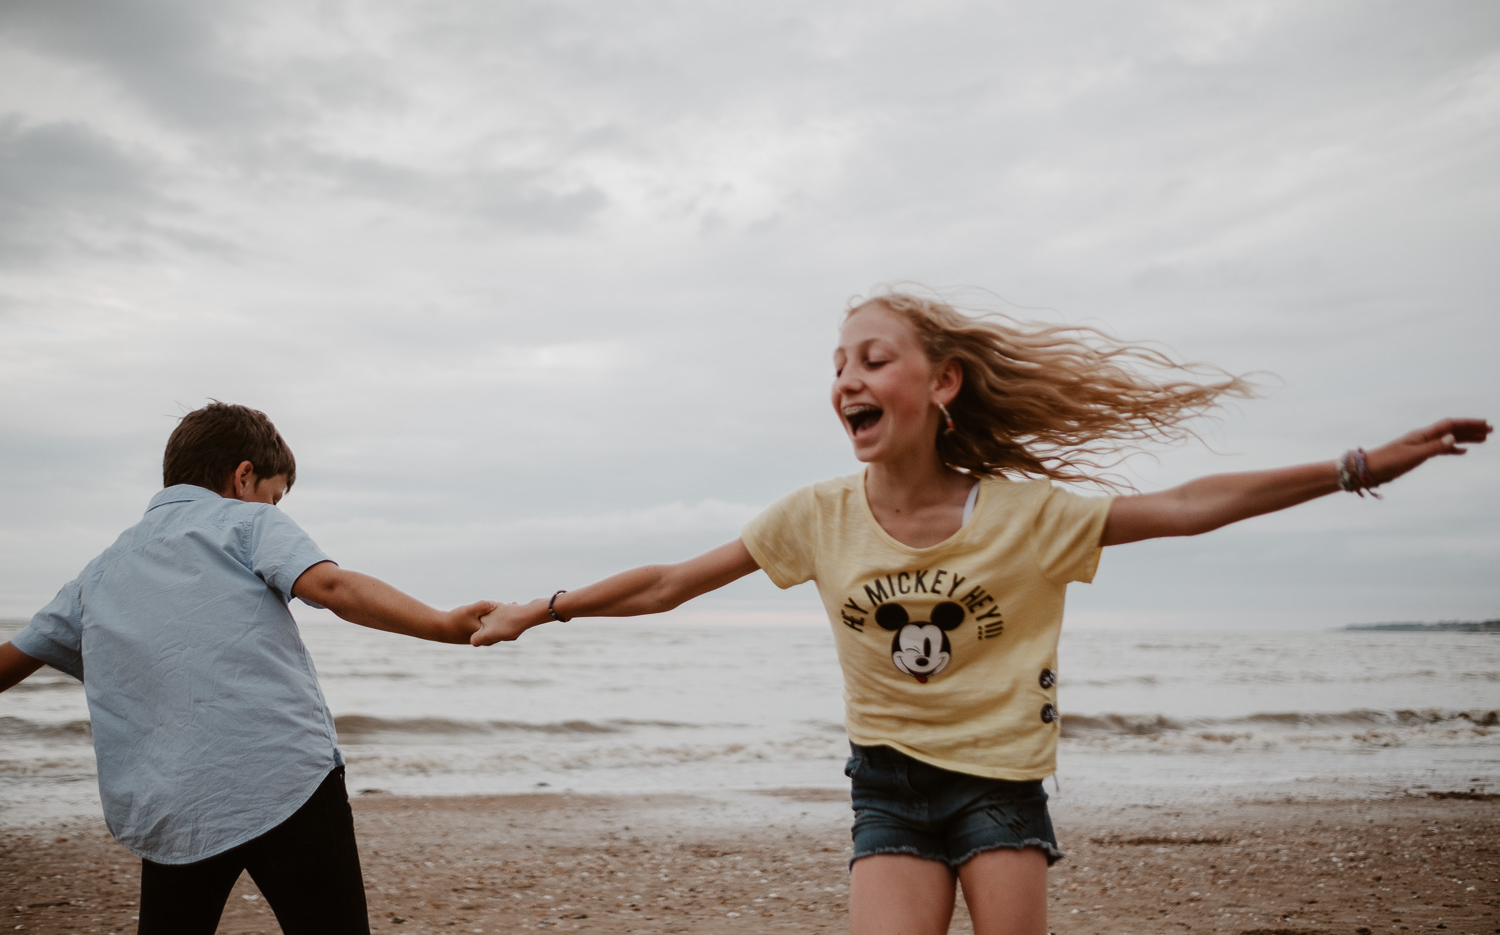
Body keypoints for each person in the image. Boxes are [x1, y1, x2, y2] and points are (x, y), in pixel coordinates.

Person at [469, 290, 1490, 935]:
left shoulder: (1026, 517)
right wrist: (542, 607)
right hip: (889, 785)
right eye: (836, 365)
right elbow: (668, 582)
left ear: (942, 380)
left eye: (869, 358)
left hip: (1001, 782)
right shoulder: (814, 518)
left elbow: (1185, 508)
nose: (844, 379)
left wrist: (1357, 466)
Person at [0, 402, 495, 935]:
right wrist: (443, 624)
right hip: (284, 779)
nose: (273, 507)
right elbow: (331, 587)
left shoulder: (94, 577)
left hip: (170, 803)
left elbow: (13, 660)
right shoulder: (247, 521)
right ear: (243, 477)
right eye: (275, 496)